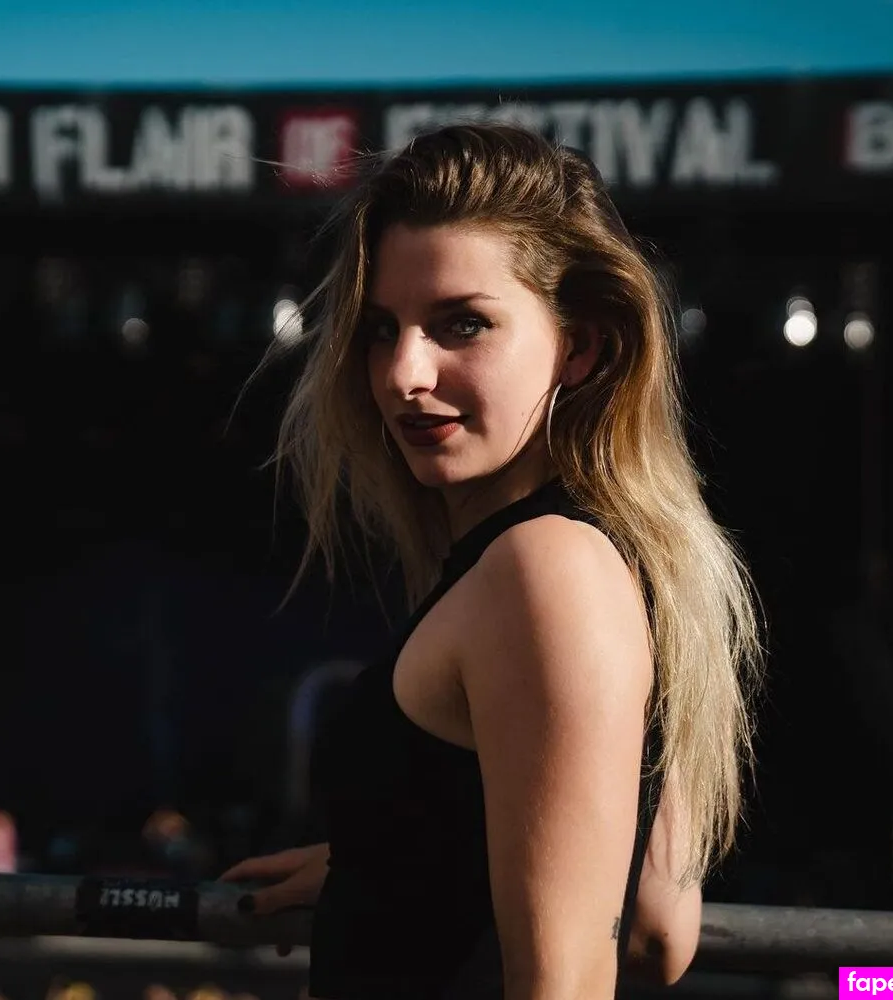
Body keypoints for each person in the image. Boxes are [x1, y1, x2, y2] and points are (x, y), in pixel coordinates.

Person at [221, 122, 763, 999]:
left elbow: (566, 985)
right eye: (380, 329)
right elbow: (656, 929)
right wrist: (391, 859)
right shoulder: (615, 565)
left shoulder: (545, 571)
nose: (403, 373)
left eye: (462, 324)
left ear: (579, 347)